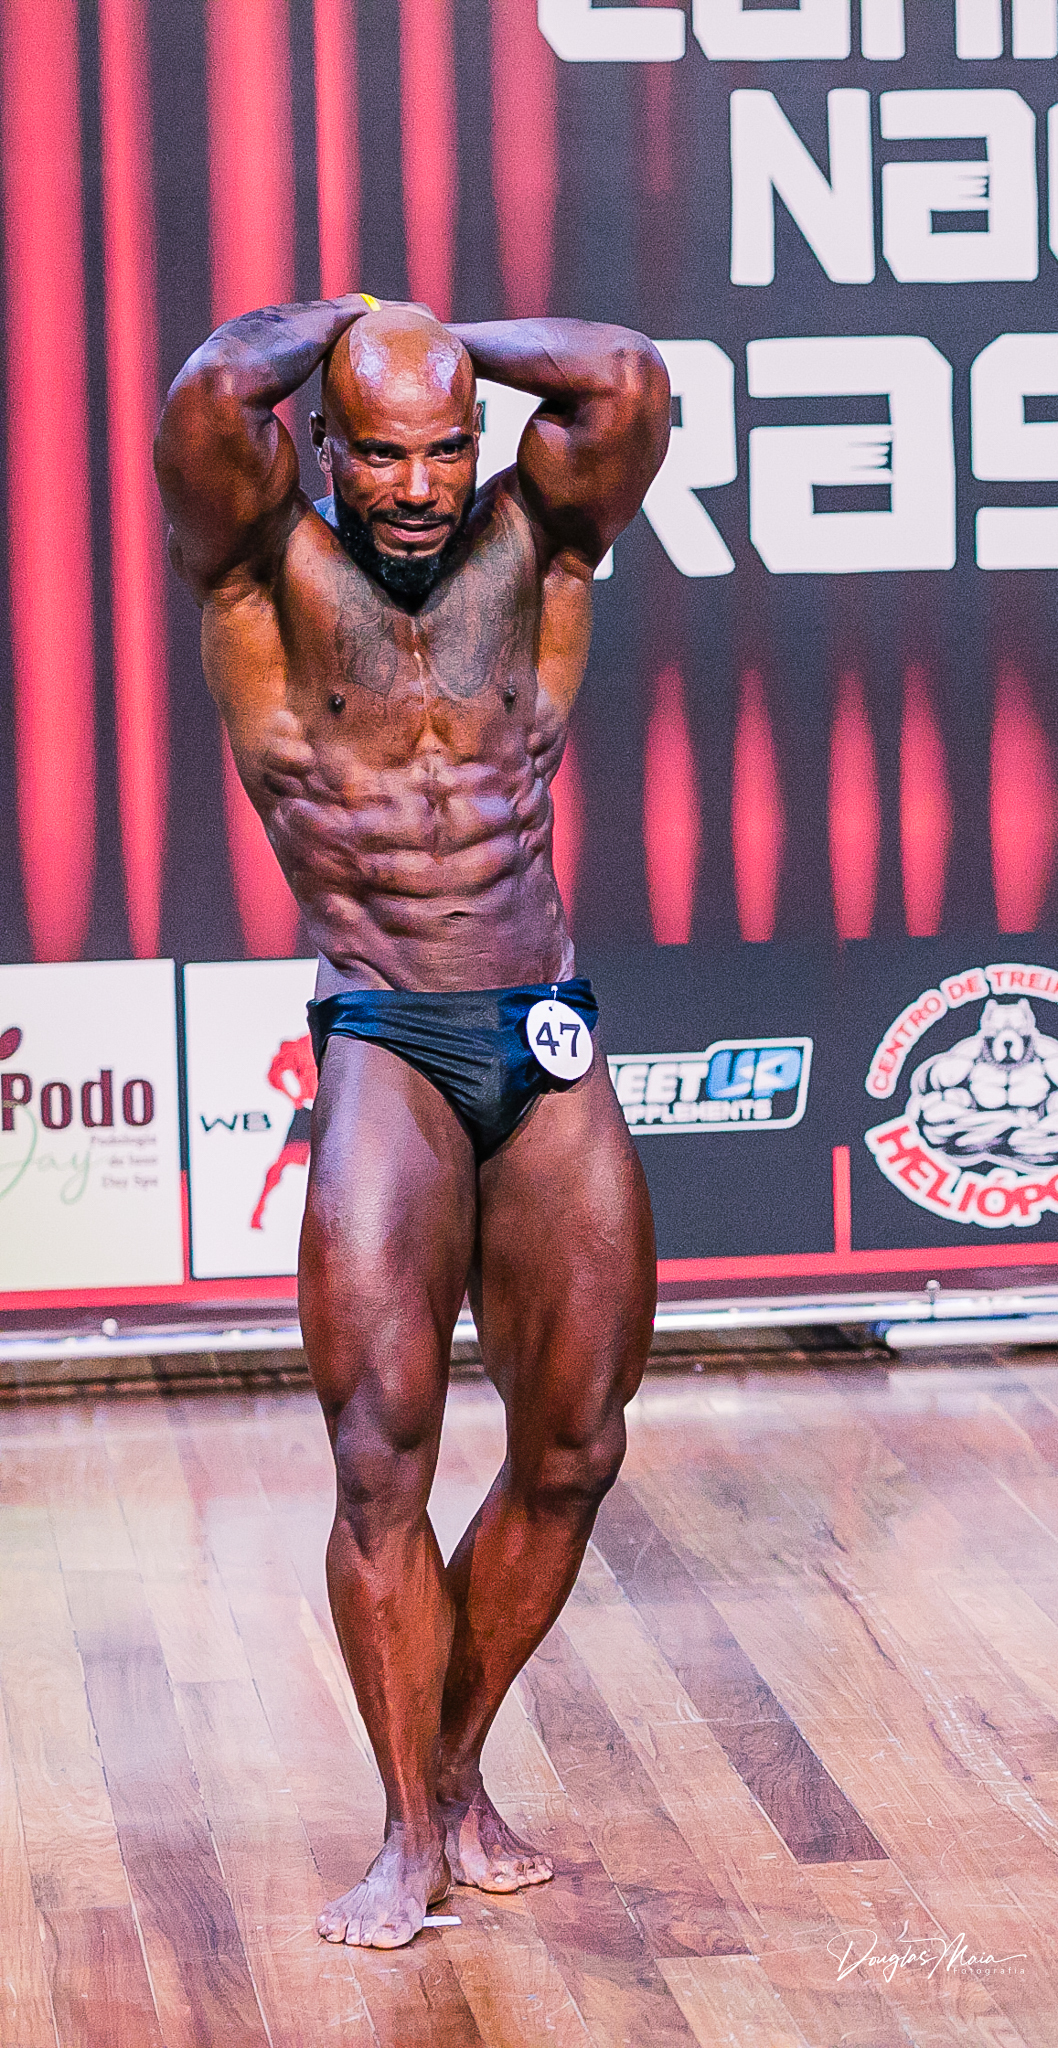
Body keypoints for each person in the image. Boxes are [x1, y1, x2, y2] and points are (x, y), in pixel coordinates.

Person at [155, 294, 670, 1948]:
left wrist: (439, 335)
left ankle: (452, 1776)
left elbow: (624, 379)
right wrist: (359, 318)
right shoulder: (260, 573)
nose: (418, 486)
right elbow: (209, 391)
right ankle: (404, 1834)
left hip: (541, 1022)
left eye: (447, 449)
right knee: (381, 1451)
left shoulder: (541, 546)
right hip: (385, 1031)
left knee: (576, 1445)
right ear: (323, 443)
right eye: (380, 454)